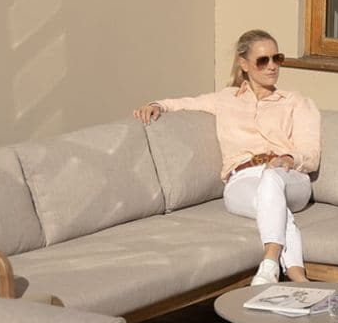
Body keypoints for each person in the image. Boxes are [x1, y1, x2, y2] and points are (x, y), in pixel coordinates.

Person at [133, 29, 321, 286]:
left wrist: (289, 159)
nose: (272, 67)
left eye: (277, 58)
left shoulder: (296, 102)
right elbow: (184, 103)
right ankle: (299, 277)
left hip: (289, 177)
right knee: (275, 208)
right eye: (263, 60)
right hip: (241, 180)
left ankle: (270, 263)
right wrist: (157, 105)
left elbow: (311, 153)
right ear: (244, 64)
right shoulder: (225, 99)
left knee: (271, 182)